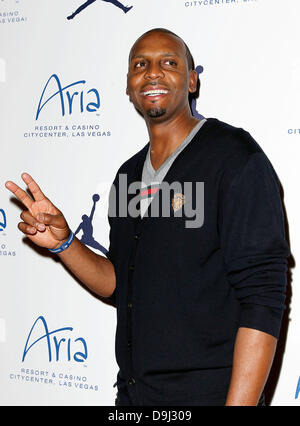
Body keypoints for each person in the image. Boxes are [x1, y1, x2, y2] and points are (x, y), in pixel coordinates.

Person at [5, 28, 290, 406]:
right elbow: (119, 283)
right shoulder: (127, 176)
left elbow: (264, 294)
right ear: (128, 86)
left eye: (168, 62)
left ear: (192, 80)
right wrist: (64, 243)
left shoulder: (234, 157)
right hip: (134, 397)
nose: (152, 72)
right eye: (140, 64)